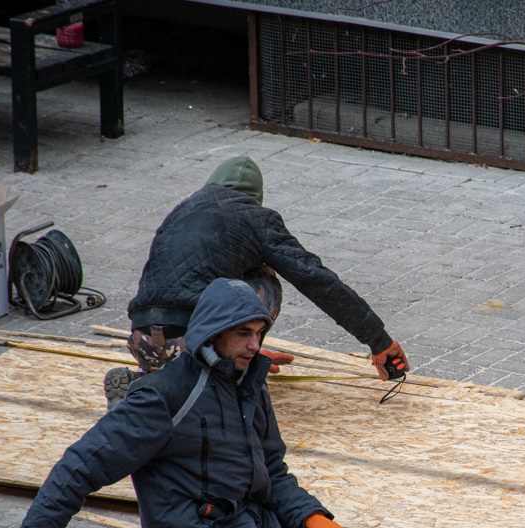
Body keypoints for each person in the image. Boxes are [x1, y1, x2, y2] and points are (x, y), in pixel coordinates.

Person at [16, 278, 361, 528]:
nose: (255, 345)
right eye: (243, 334)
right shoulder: (164, 397)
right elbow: (83, 463)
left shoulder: (248, 383)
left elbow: (272, 471)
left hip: (246, 523)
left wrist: (310, 517)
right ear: (213, 333)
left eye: (259, 333)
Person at [106, 155, 409, 408]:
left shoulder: (182, 210)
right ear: (254, 197)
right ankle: (230, 370)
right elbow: (317, 281)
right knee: (264, 280)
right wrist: (379, 341)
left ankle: (148, 385)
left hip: (142, 337)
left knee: (205, 291)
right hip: (194, 340)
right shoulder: (256, 217)